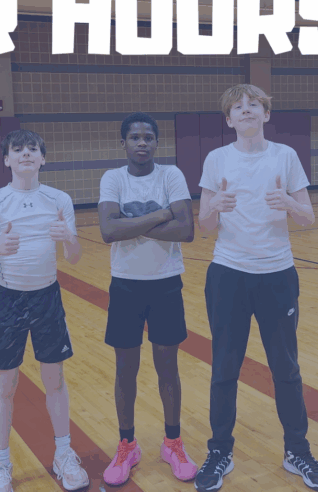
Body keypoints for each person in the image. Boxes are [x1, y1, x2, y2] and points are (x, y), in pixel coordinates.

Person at [193, 84, 318, 492]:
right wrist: (214, 208)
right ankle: (220, 451)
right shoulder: (216, 159)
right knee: (224, 369)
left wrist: (289, 204)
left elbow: (307, 217)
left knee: (286, 368)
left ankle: (297, 451)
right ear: (229, 120)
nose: (246, 110)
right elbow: (204, 225)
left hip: (277, 274)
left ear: (266, 115)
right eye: (238, 107)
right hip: (228, 274)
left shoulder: (285, 156)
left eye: (254, 105)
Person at [0, 129, 87, 492]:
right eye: (17, 149)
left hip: (47, 297)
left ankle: (64, 455)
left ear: (42, 158)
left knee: (55, 379)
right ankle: (0, 464)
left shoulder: (59, 200)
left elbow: (74, 257)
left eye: (32, 149)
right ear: (6, 159)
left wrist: (68, 238)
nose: (25, 154)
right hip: (10, 300)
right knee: (5, 384)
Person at [97, 112, 197, 485]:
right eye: (135, 137)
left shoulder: (171, 175)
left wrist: (131, 224)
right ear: (123, 143)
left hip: (166, 283)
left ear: (156, 142)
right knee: (126, 369)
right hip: (125, 285)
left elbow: (185, 230)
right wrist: (163, 214)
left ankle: (173, 443)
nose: (142, 143)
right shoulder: (113, 178)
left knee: (167, 367)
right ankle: (128, 445)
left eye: (149, 137)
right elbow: (108, 231)